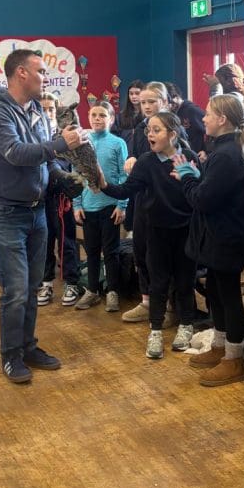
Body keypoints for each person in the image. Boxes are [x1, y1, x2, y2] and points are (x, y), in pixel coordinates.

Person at [0, 49, 83, 383]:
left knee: (33, 286)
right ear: (21, 73)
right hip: (4, 212)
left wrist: (61, 176)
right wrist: (61, 144)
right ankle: (10, 356)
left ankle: (27, 347)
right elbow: (16, 153)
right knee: (16, 290)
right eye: (41, 71)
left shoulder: (35, 108)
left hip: (37, 210)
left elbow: (43, 158)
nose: (45, 78)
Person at [99, 111, 197, 360]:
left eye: (156, 130)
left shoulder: (188, 157)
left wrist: (194, 176)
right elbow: (125, 190)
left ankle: (186, 325)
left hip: (185, 232)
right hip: (157, 232)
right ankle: (155, 330)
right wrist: (103, 184)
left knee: (185, 282)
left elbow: (198, 194)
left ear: (172, 134)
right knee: (158, 283)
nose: (150, 135)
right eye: (148, 130)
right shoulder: (146, 162)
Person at [172, 93, 244, 386]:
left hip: (226, 236)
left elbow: (202, 199)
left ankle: (234, 358)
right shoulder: (222, 149)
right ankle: (220, 345)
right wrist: (197, 174)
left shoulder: (227, 154)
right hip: (218, 234)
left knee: (229, 296)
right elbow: (212, 189)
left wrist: (187, 177)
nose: (203, 118)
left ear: (222, 119)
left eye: (208, 114)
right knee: (216, 292)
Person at [121, 82, 170, 325]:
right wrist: (131, 158)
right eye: (143, 102)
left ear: (164, 102)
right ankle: (147, 301)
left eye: (152, 101)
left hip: (165, 201)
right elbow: (134, 155)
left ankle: (169, 305)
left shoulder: (172, 128)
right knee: (140, 250)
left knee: (163, 256)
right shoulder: (139, 129)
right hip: (141, 198)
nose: (147, 106)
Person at [73, 101, 128, 312]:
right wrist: (77, 204)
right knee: (92, 251)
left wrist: (122, 204)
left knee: (111, 251)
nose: (97, 118)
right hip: (88, 207)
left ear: (111, 119)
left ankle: (113, 290)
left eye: (102, 115)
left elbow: (124, 176)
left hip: (110, 206)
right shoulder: (81, 143)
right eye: (94, 114)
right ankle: (92, 290)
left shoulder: (118, 143)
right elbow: (76, 176)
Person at [37, 93, 82, 308]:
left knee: (67, 241)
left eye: (51, 109)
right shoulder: (34, 134)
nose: (48, 113)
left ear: (57, 111)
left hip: (62, 196)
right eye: (43, 109)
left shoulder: (66, 135)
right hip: (41, 196)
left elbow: (75, 164)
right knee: (44, 242)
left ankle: (71, 282)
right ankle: (46, 282)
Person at [204, 64, 244, 129]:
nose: (219, 84)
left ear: (228, 81)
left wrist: (216, 86)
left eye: (219, 81)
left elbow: (216, 110)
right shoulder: (243, 94)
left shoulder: (236, 97)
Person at [166, 82, 206, 153]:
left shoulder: (192, 110)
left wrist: (206, 151)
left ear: (177, 96)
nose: (169, 105)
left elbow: (212, 131)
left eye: (171, 101)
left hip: (195, 155)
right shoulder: (171, 113)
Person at [114, 79, 144, 145]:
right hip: (126, 147)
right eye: (131, 94)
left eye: (137, 93)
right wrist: (130, 133)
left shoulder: (147, 115)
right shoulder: (121, 116)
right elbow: (115, 135)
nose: (134, 96)